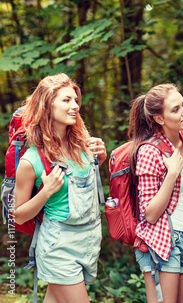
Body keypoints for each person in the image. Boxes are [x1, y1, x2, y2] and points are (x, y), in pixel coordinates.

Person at [14, 73, 107, 303]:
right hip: (58, 245)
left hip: (88, 239)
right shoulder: (31, 160)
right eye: (66, 100)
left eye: (75, 100)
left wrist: (100, 161)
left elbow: (85, 185)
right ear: (47, 106)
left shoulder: (82, 145)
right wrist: (46, 192)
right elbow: (18, 215)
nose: (75, 106)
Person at [128, 83, 183, 303]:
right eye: (175, 109)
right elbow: (149, 214)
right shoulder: (149, 151)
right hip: (162, 241)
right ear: (159, 119)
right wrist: (172, 174)